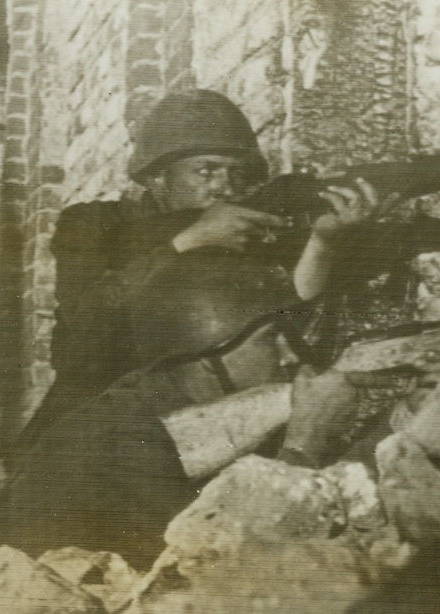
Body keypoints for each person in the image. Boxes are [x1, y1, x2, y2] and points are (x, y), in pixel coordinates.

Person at [0, 250, 402, 570]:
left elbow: (339, 502)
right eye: (270, 338)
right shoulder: (112, 440)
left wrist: (401, 423)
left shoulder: (185, 412)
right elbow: (214, 576)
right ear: (206, 354)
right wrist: (304, 443)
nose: (291, 355)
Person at [29, 89, 398, 441]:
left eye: (237, 174)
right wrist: (186, 242)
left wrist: (324, 242)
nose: (225, 187)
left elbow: (293, 327)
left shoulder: (249, 239)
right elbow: (86, 328)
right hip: (99, 422)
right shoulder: (94, 225)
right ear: (158, 178)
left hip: (215, 419)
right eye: (206, 172)